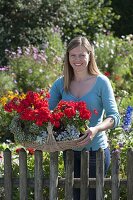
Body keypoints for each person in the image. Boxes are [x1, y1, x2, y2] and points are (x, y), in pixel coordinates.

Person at [49, 36, 120, 200]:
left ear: (90, 55)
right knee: (73, 196)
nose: (77, 59)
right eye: (73, 55)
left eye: (82, 55)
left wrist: (96, 129)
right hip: (70, 152)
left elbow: (114, 117)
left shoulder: (102, 82)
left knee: (93, 197)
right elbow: (46, 111)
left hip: (96, 152)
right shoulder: (61, 83)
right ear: (67, 57)